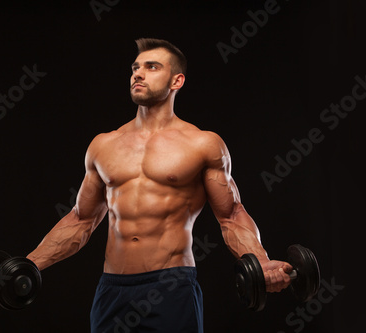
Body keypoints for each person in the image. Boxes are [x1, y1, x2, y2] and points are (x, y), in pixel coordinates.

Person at [25, 38, 293, 332]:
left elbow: (231, 215)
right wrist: (27, 265)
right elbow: (81, 219)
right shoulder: (103, 145)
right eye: (135, 67)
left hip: (171, 287)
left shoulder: (202, 144)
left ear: (177, 80)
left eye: (152, 67)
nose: (138, 74)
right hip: (112, 288)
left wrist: (261, 261)